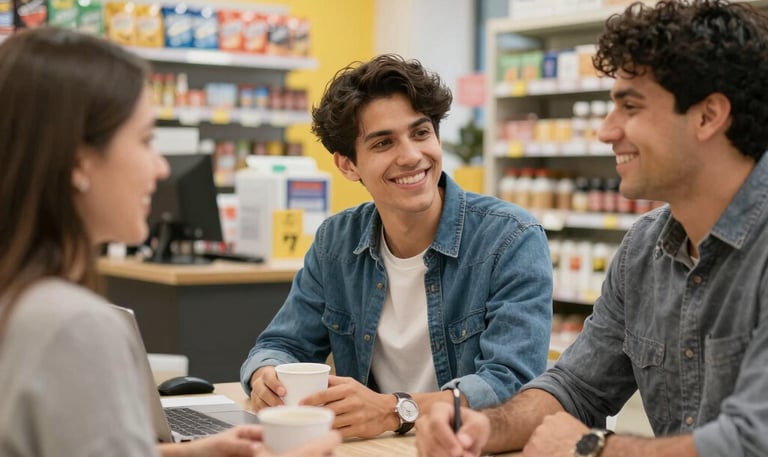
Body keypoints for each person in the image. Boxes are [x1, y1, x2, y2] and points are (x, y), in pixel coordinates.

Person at [415, 1, 768, 456]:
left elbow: (752, 442)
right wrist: (484, 426)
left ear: (707, 116)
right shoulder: (644, 249)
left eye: (630, 106)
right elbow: (576, 387)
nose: (605, 131)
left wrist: (591, 447)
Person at [0, 27, 340, 457]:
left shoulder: (20, 300)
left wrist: (190, 453)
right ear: (78, 162)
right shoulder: (75, 326)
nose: (161, 168)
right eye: (145, 140)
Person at [240, 54, 553, 438]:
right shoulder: (335, 243)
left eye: (420, 133)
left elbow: (512, 384)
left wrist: (395, 410)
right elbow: (281, 344)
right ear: (348, 165)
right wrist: (266, 375)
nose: (411, 156)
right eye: (384, 142)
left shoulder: (511, 238)